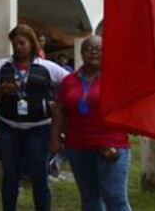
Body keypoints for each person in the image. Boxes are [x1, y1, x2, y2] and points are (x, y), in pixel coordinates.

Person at [0, 25, 69, 211]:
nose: (18, 47)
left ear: (31, 43)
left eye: (22, 43)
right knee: (10, 175)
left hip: (39, 129)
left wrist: (56, 102)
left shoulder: (46, 66)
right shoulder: (2, 66)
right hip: (9, 129)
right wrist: (2, 90)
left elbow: (70, 82)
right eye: (14, 44)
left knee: (39, 175)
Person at [51, 36, 131, 211]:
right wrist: (55, 138)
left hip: (110, 145)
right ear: (81, 53)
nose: (93, 52)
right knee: (89, 198)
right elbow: (59, 110)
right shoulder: (69, 81)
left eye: (99, 49)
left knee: (114, 197)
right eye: (88, 48)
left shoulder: (115, 78)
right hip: (78, 147)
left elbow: (130, 108)